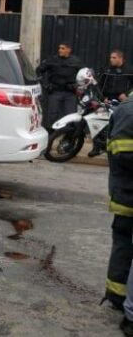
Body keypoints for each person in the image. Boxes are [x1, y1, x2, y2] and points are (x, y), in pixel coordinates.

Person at [104, 96, 133, 335]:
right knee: (124, 244)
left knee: (124, 245)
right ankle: (117, 296)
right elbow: (121, 150)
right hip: (127, 194)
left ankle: (117, 294)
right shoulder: (130, 112)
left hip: (125, 191)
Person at [37, 42, 83, 130]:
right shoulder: (53, 60)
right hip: (55, 91)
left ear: (69, 50)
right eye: (59, 48)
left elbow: (84, 74)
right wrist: (45, 84)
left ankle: (69, 138)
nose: (60, 50)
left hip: (70, 93)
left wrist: (78, 86)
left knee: (71, 116)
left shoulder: (76, 61)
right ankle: (50, 135)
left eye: (63, 48)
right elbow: (39, 70)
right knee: (52, 115)